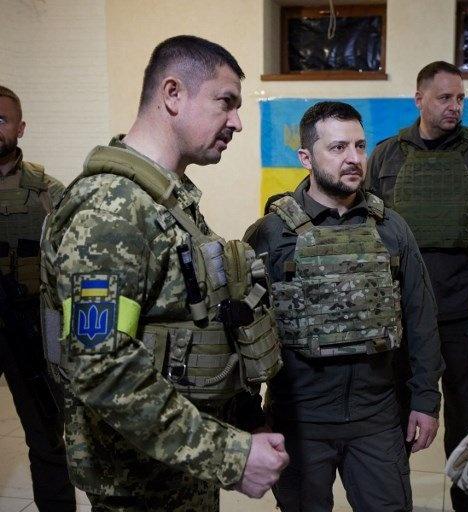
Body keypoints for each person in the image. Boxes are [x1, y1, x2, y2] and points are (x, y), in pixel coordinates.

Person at [39, 35, 288, 511]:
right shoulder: (111, 211)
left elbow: (192, 328)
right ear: (173, 94)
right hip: (139, 485)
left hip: (177, 469)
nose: (236, 121)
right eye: (226, 102)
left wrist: (241, 415)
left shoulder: (166, 205)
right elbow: (101, 368)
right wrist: (232, 456)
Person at [243, 101, 443, 512]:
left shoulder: (391, 227)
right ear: (306, 157)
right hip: (300, 422)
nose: (353, 158)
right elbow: (245, 329)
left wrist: (425, 400)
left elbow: (420, 317)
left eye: (359, 145)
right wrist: (249, 415)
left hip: (377, 421)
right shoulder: (272, 233)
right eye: (337, 148)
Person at [367, 61, 468, 512]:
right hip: (399, 317)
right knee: (392, 418)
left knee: (464, 419)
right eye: (444, 98)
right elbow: (369, 233)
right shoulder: (386, 156)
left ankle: (466, 506)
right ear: (419, 100)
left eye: (460, 98)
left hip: (461, 315)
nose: (455, 107)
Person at [0, 85, 76, 511]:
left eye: (1, 119)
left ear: (20, 127)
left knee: (47, 438)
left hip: (27, 328)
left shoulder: (48, 192)